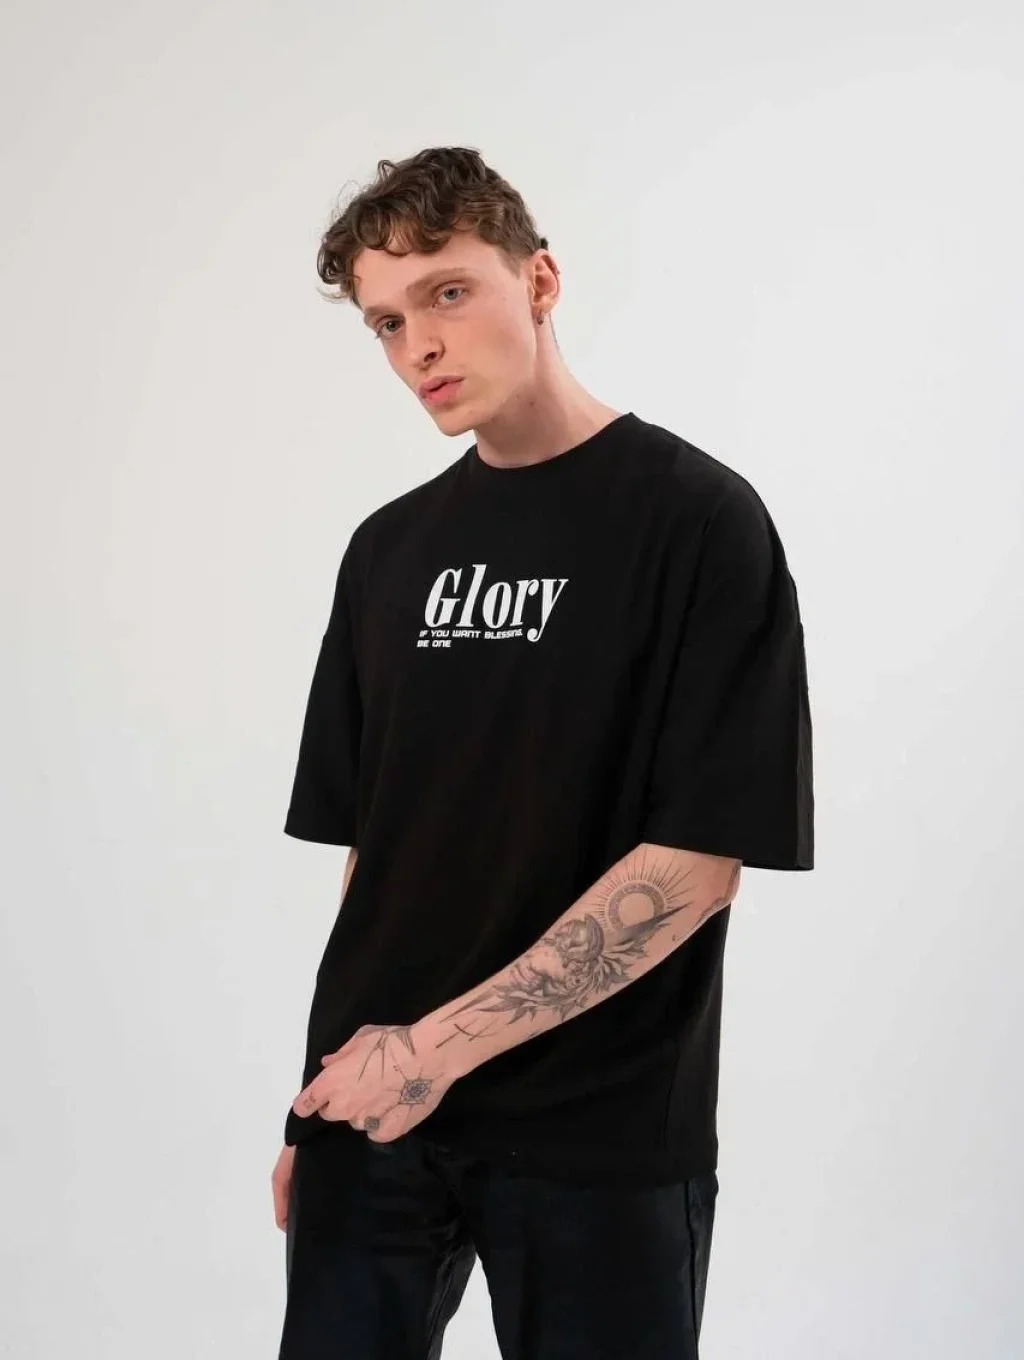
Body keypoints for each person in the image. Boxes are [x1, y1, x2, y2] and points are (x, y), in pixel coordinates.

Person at [272, 145, 814, 1360]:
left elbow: (695, 864)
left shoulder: (697, 521)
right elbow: (374, 854)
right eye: (386, 321)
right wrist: (322, 1102)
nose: (419, 345)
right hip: (373, 1120)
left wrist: (430, 1053)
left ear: (540, 280)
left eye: (448, 292)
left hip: (598, 1136)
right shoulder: (388, 550)